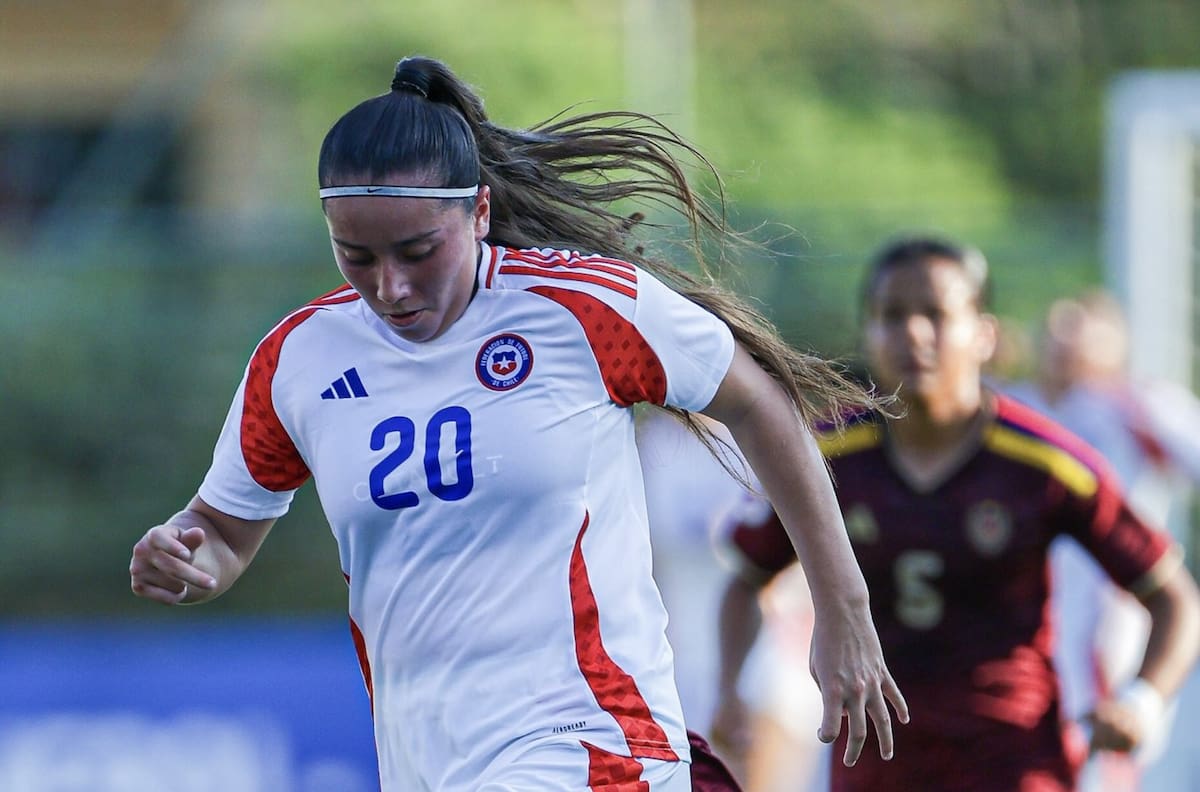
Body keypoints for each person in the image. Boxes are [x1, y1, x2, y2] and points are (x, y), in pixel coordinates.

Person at [128, 55, 907, 791]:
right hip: (425, 759)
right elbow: (223, 531)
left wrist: (844, 608)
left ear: (479, 212)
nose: (390, 286)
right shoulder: (298, 360)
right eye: (356, 256)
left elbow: (757, 400)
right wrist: (187, 555)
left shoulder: (583, 311)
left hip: (593, 741)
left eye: (417, 250)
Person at [712, 236, 1200, 791]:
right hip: (875, 765)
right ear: (868, 331)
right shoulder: (823, 456)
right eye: (892, 315)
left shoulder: (1046, 463)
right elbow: (746, 577)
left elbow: (1173, 596)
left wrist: (1142, 702)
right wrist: (730, 691)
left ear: (985, 335)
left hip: (1012, 762)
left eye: (936, 314)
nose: (913, 333)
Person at [1007, 290, 1200, 791]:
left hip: (1108, 621)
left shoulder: (1140, 408)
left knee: (1101, 757)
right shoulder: (1009, 406)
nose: (1065, 339)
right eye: (1057, 324)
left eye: (1081, 326)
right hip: (1017, 610)